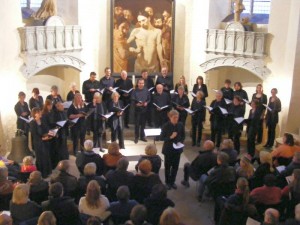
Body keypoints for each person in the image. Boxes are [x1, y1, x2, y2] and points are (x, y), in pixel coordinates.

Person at [160, 110, 185, 190]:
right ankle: (167, 182)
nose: (176, 119)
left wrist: (180, 142)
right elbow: (161, 138)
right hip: (168, 149)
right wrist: (170, 137)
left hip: (177, 149)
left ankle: (172, 181)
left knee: (175, 167)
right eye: (174, 118)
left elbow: (183, 135)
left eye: (177, 117)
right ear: (170, 117)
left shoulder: (180, 125)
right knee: (167, 167)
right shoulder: (166, 126)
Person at [30, 107, 52, 178]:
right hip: (38, 142)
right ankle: (42, 173)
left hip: (45, 141)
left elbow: (46, 129)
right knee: (41, 158)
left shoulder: (42, 120)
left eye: (40, 112)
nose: (40, 113)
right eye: (39, 112)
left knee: (46, 156)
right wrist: (42, 138)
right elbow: (35, 134)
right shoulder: (32, 123)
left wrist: (49, 134)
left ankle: (48, 171)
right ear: (35, 114)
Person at [131, 79, 150, 143]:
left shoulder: (146, 90)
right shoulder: (134, 91)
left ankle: (142, 137)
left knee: (143, 124)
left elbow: (149, 99)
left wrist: (147, 102)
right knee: (137, 124)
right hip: (137, 110)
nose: (141, 84)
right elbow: (132, 99)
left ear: (144, 84)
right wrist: (136, 104)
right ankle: (136, 137)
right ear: (137, 84)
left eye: (142, 83)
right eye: (140, 83)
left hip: (144, 109)